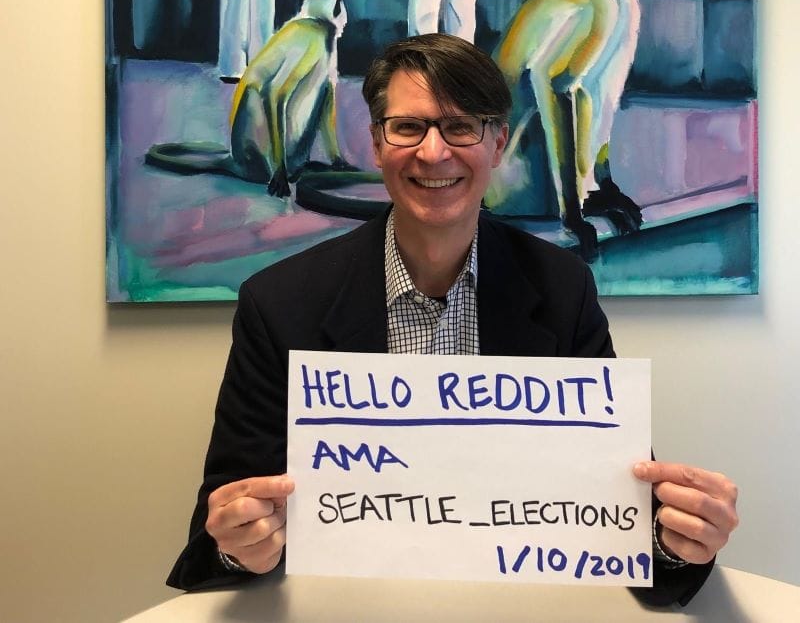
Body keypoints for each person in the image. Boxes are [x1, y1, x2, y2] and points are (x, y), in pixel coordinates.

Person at [167, 34, 738, 605]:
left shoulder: (562, 290)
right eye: (408, 127)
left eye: (461, 126)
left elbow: (621, 523)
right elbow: (215, 536)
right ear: (376, 142)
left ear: (498, 144)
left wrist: (678, 541)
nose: (434, 152)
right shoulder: (279, 304)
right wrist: (237, 544)